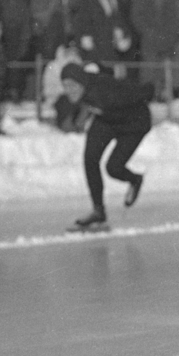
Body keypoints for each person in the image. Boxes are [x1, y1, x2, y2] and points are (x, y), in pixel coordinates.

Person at [60, 62, 153, 231]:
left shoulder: (105, 90)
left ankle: (135, 180)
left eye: (72, 85)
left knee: (113, 168)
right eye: (65, 86)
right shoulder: (84, 91)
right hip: (107, 120)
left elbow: (137, 91)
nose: (68, 90)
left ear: (81, 83)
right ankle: (98, 211)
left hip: (134, 123)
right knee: (90, 159)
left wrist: (149, 89)